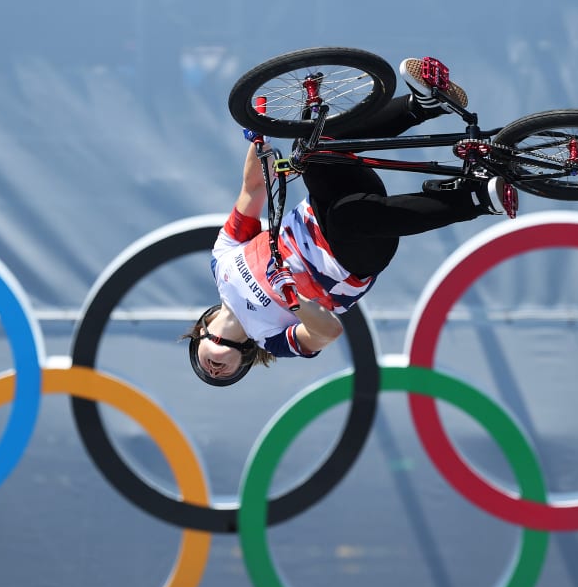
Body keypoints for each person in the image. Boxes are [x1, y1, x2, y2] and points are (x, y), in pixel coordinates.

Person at [185, 57, 518, 386]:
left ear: (199, 334)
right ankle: (477, 199)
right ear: (243, 360)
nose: (214, 373)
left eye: (207, 370)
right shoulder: (270, 339)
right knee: (348, 218)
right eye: (223, 377)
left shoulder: (221, 262)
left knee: (311, 146)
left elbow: (253, 188)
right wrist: (294, 301)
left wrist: (260, 134)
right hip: (352, 258)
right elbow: (327, 331)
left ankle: (424, 104)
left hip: (325, 207)